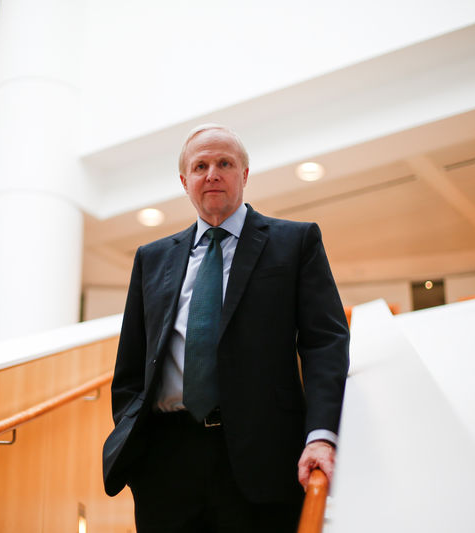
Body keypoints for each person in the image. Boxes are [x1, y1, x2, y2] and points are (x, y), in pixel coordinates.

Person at [102, 124, 349, 533]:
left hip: (262, 458)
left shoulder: (295, 242)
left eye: (224, 163)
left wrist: (320, 435)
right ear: (185, 182)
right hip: (165, 462)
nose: (212, 173)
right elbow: (132, 362)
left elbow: (325, 343)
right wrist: (135, 442)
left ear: (245, 175)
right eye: (200, 165)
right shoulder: (153, 258)